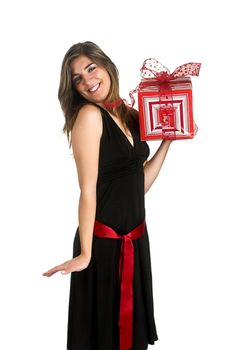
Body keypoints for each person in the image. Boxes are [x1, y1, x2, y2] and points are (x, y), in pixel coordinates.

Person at [43, 41, 197, 350]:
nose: (87, 81)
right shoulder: (89, 116)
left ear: (106, 66)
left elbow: (136, 185)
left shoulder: (127, 114)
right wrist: (86, 254)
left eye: (91, 68)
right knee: (105, 337)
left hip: (136, 240)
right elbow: (87, 190)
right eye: (77, 78)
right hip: (104, 245)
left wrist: (168, 142)